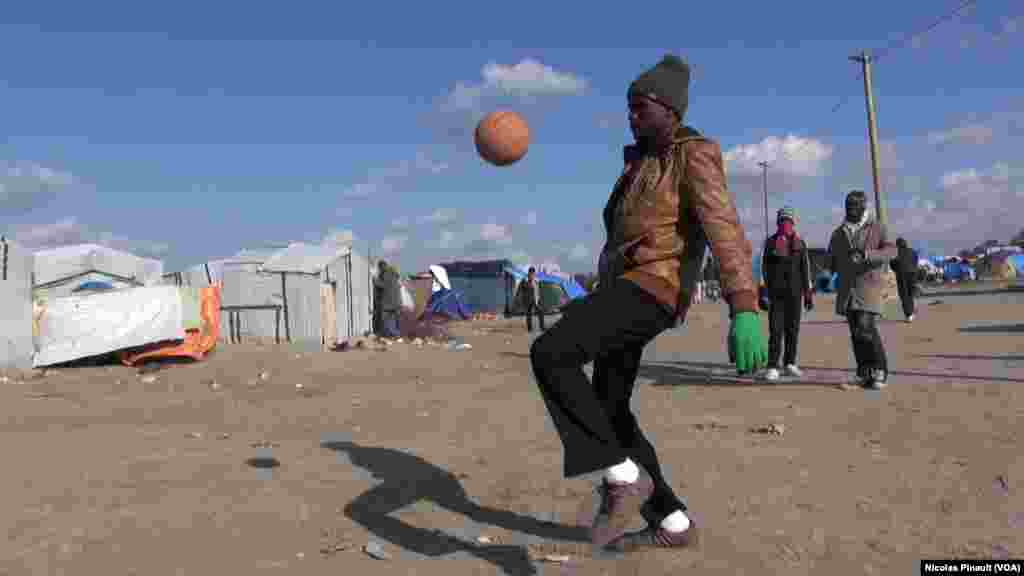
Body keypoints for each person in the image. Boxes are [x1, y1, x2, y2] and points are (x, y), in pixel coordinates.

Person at [529, 54, 766, 553]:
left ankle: (621, 478)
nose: (632, 117)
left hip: (654, 287)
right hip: (625, 287)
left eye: (641, 108)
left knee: (552, 352)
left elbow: (723, 228)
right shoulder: (638, 165)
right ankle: (673, 521)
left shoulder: (692, 154)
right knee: (610, 408)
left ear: (671, 110)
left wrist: (744, 304)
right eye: (628, 108)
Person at [828, 190, 897, 389]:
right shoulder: (839, 232)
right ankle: (864, 374)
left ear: (863, 207)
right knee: (856, 332)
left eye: (854, 206)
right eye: (847, 206)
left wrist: (867, 254)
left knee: (865, 327)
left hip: (869, 286)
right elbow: (831, 258)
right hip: (847, 288)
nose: (850, 209)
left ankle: (880, 371)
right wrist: (827, 270)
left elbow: (892, 251)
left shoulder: (877, 228)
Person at [761, 206, 814, 381]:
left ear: (793, 222)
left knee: (793, 329)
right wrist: (764, 293)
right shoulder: (770, 243)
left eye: (788, 221)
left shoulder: (800, 243)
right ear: (778, 222)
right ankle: (772, 366)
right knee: (775, 330)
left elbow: (805, 269)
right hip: (776, 295)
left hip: (795, 294)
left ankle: (790, 363)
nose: (786, 224)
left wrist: (808, 294)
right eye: (783, 220)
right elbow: (763, 269)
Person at [891, 237, 918, 322]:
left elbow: (892, 264)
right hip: (912, 274)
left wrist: (896, 270)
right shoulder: (912, 251)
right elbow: (916, 261)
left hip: (901, 274)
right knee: (910, 294)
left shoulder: (896, 253)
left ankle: (909, 314)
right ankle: (911, 312)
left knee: (904, 295)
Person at [373, 260, 401, 338]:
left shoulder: (386, 274)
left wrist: (375, 281)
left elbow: (383, 285)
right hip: (397, 302)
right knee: (395, 320)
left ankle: (391, 334)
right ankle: (395, 334)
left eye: (379, 268)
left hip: (388, 302)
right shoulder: (394, 273)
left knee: (385, 320)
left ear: (382, 266)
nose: (379, 269)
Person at [517, 267, 546, 333]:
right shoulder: (524, 280)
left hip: (535, 299)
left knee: (541, 312)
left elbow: (537, 289)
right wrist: (520, 298)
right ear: (529, 273)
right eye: (531, 273)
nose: (532, 275)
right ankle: (529, 329)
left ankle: (542, 327)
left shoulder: (536, 280)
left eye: (533, 273)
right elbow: (520, 289)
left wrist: (539, 297)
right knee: (529, 314)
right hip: (527, 300)